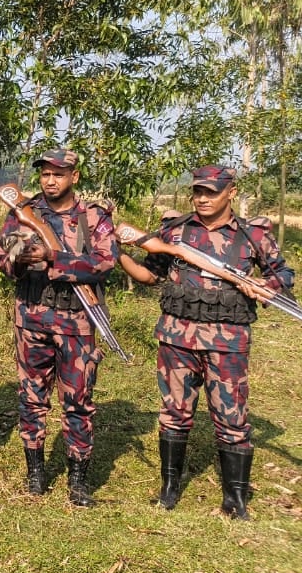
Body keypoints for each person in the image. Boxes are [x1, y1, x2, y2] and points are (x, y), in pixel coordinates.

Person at [117, 166, 294, 519]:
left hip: (227, 342)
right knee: (174, 414)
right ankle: (169, 490)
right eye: (198, 191)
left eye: (211, 192)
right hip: (177, 339)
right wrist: (116, 253)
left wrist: (264, 288)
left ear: (231, 192)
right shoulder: (175, 230)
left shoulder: (252, 235)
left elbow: (283, 274)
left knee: (232, 418)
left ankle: (235, 499)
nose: (203, 198)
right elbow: (150, 274)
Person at [0, 148, 118, 507]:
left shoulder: (93, 217)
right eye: (45, 174)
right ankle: (35, 473)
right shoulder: (24, 212)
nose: (50, 180)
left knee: (78, 401)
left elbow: (106, 263)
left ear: (74, 177)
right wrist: (17, 260)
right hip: (31, 318)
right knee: (32, 399)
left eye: (58, 174)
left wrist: (54, 258)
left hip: (78, 322)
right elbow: (3, 258)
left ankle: (78, 479)